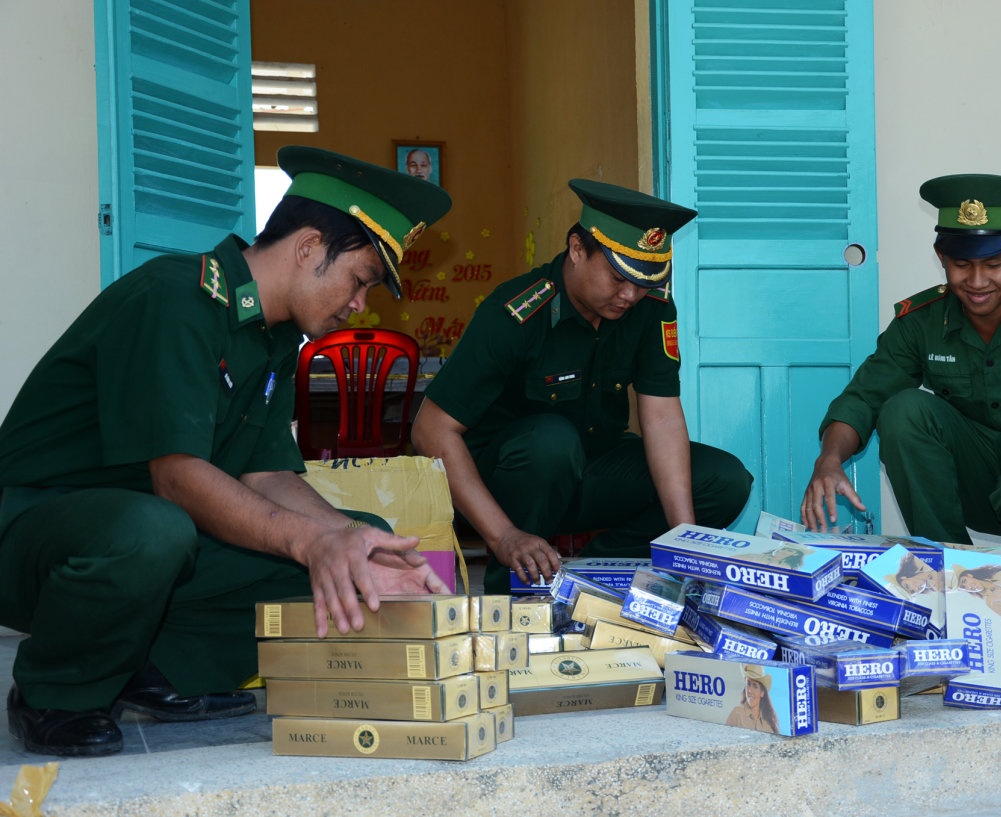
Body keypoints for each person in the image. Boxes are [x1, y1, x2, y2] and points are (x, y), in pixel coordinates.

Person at [0, 146, 453, 757]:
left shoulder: (274, 336)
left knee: (359, 540)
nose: (359, 304)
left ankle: (151, 670)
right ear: (308, 247)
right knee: (160, 529)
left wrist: (353, 540)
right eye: (360, 280)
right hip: (38, 535)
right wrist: (309, 541)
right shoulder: (177, 298)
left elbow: (267, 476)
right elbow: (177, 480)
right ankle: (55, 692)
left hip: (149, 539)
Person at [412, 178, 753, 593]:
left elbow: (661, 417)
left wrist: (686, 540)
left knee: (724, 480)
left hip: (591, 474)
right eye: (617, 277)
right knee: (552, 441)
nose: (630, 294)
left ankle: (598, 574)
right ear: (577, 249)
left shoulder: (651, 310)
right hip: (507, 487)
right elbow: (430, 429)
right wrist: (504, 535)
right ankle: (515, 591)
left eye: (644, 281)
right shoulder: (517, 312)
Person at [801, 174, 1001, 589]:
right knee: (903, 409)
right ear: (941, 256)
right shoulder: (920, 321)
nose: (976, 282)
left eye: (994, 264)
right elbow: (863, 398)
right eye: (962, 264)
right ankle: (952, 575)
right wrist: (828, 459)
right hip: (979, 476)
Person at [725, 665, 778, 734]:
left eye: (755, 686)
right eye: (748, 684)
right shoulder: (737, 713)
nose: (749, 690)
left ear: (762, 693)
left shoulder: (767, 722)